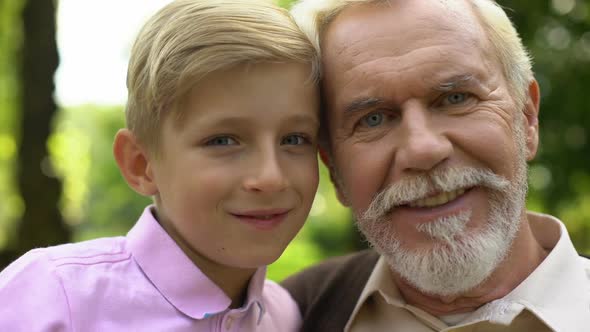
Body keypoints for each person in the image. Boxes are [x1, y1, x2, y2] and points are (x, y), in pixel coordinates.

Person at [0, 0, 320, 330]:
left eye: (294, 139)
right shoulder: (53, 296)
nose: (270, 177)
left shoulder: (284, 316)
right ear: (141, 164)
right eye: (223, 141)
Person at [281, 0, 590, 331]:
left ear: (527, 118)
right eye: (373, 119)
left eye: (456, 98)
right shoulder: (285, 316)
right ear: (334, 172)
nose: (423, 150)